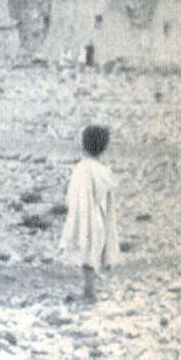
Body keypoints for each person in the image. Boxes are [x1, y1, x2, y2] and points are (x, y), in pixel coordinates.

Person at [60, 125, 120, 304]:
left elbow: (76, 196)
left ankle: (89, 293)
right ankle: (90, 291)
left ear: (83, 144)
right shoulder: (104, 170)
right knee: (93, 254)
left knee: (86, 255)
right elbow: (109, 199)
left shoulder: (82, 169)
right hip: (100, 218)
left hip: (85, 217)